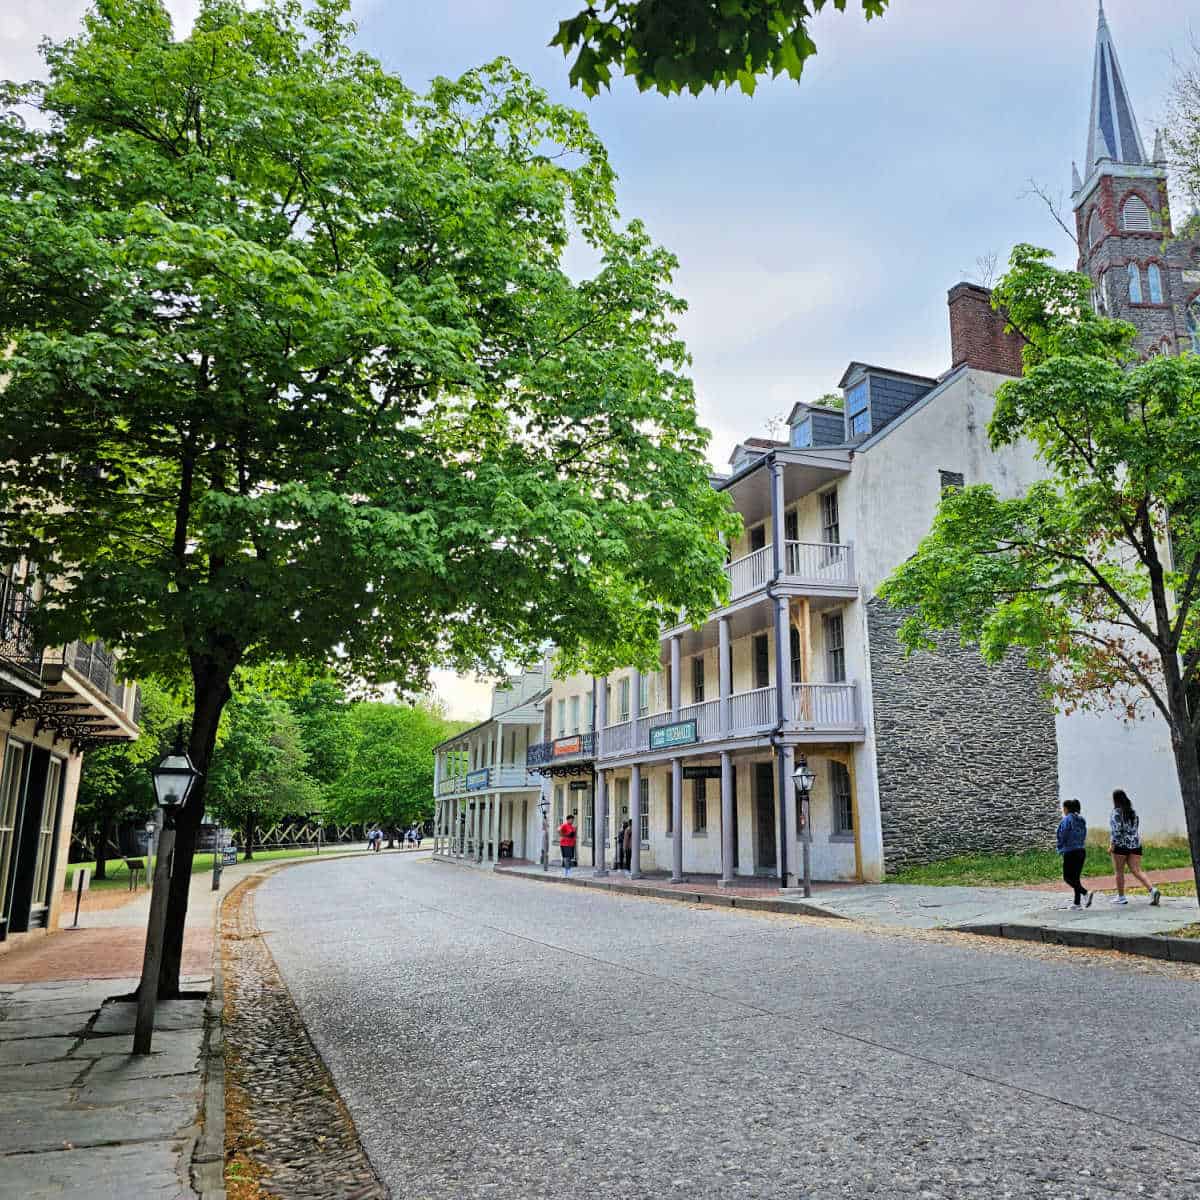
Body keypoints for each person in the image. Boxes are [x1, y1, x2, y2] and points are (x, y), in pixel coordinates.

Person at [1109, 789, 1161, 906]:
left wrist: (1112, 845)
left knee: (1119, 871)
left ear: (1115, 800)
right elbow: (1135, 827)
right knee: (1137, 870)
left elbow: (1116, 831)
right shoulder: (1133, 812)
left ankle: (1121, 897)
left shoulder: (1116, 813)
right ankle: (1152, 890)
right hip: (1135, 845)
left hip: (1121, 846)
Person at [1055, 798, 1093, 910]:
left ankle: (1085, 892)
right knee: (1076, 878)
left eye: (1064, 808)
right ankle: (1077, 904)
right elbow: (1084, 834)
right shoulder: (1081, 820)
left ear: (1066, 808)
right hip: (1081, 850)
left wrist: (1060, 846)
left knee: (1067, 877)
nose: (1063, 810)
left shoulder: (1067, 819)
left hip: (1070, 851)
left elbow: (1063, 834)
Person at [559, 812, 577, 877]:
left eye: (573, 820)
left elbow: (574, 836)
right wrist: (565, 835)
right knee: (566, 858)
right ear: (568, 820)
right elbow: (559, 830)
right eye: (571, 820)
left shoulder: (572, 827)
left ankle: (567, 871)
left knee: (569, 858)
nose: (572, 821)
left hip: (571, 844)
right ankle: (567, 871)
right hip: (565, 844)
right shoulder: (564, 825)